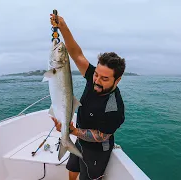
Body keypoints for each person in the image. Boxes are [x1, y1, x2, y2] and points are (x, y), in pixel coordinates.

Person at [50, 13, 126, 180]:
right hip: (78, 138)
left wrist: (73, 131)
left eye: (104, 78)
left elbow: (102, 136)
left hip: (97, 150)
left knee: (89, 177)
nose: (97, 81)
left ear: (117, 80)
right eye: (96, 74)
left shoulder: (115, 107)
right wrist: (62, 27)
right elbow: (76, 54)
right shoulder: (93, 76)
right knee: (72, 168)